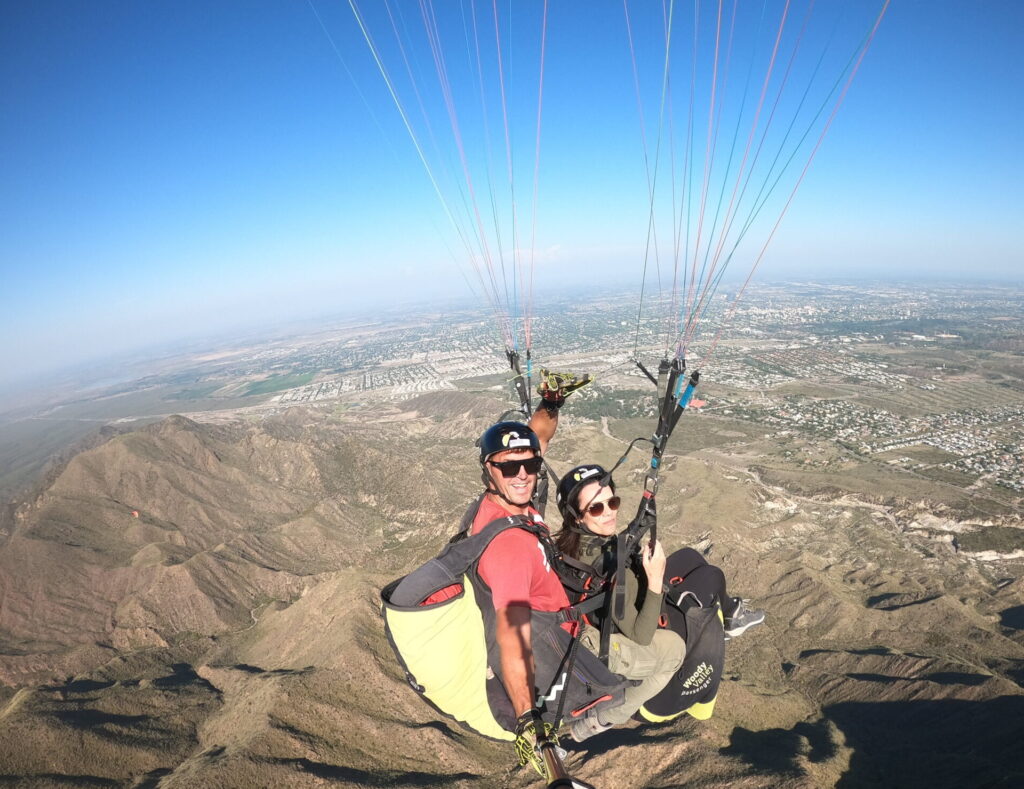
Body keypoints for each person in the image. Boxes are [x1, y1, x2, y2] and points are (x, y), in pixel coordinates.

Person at [554, 464, 765, 740]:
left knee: (690, 557)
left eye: (612, 502)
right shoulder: (610, 570)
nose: (608, 512)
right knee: (711, 577)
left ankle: (730, 613)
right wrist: (654, 579)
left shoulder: (573, 547)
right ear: (577, 518)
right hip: (632, 637)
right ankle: (726, 620)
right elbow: (641, 635)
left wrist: (637, 527)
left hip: (611, 612)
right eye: (596, 509)